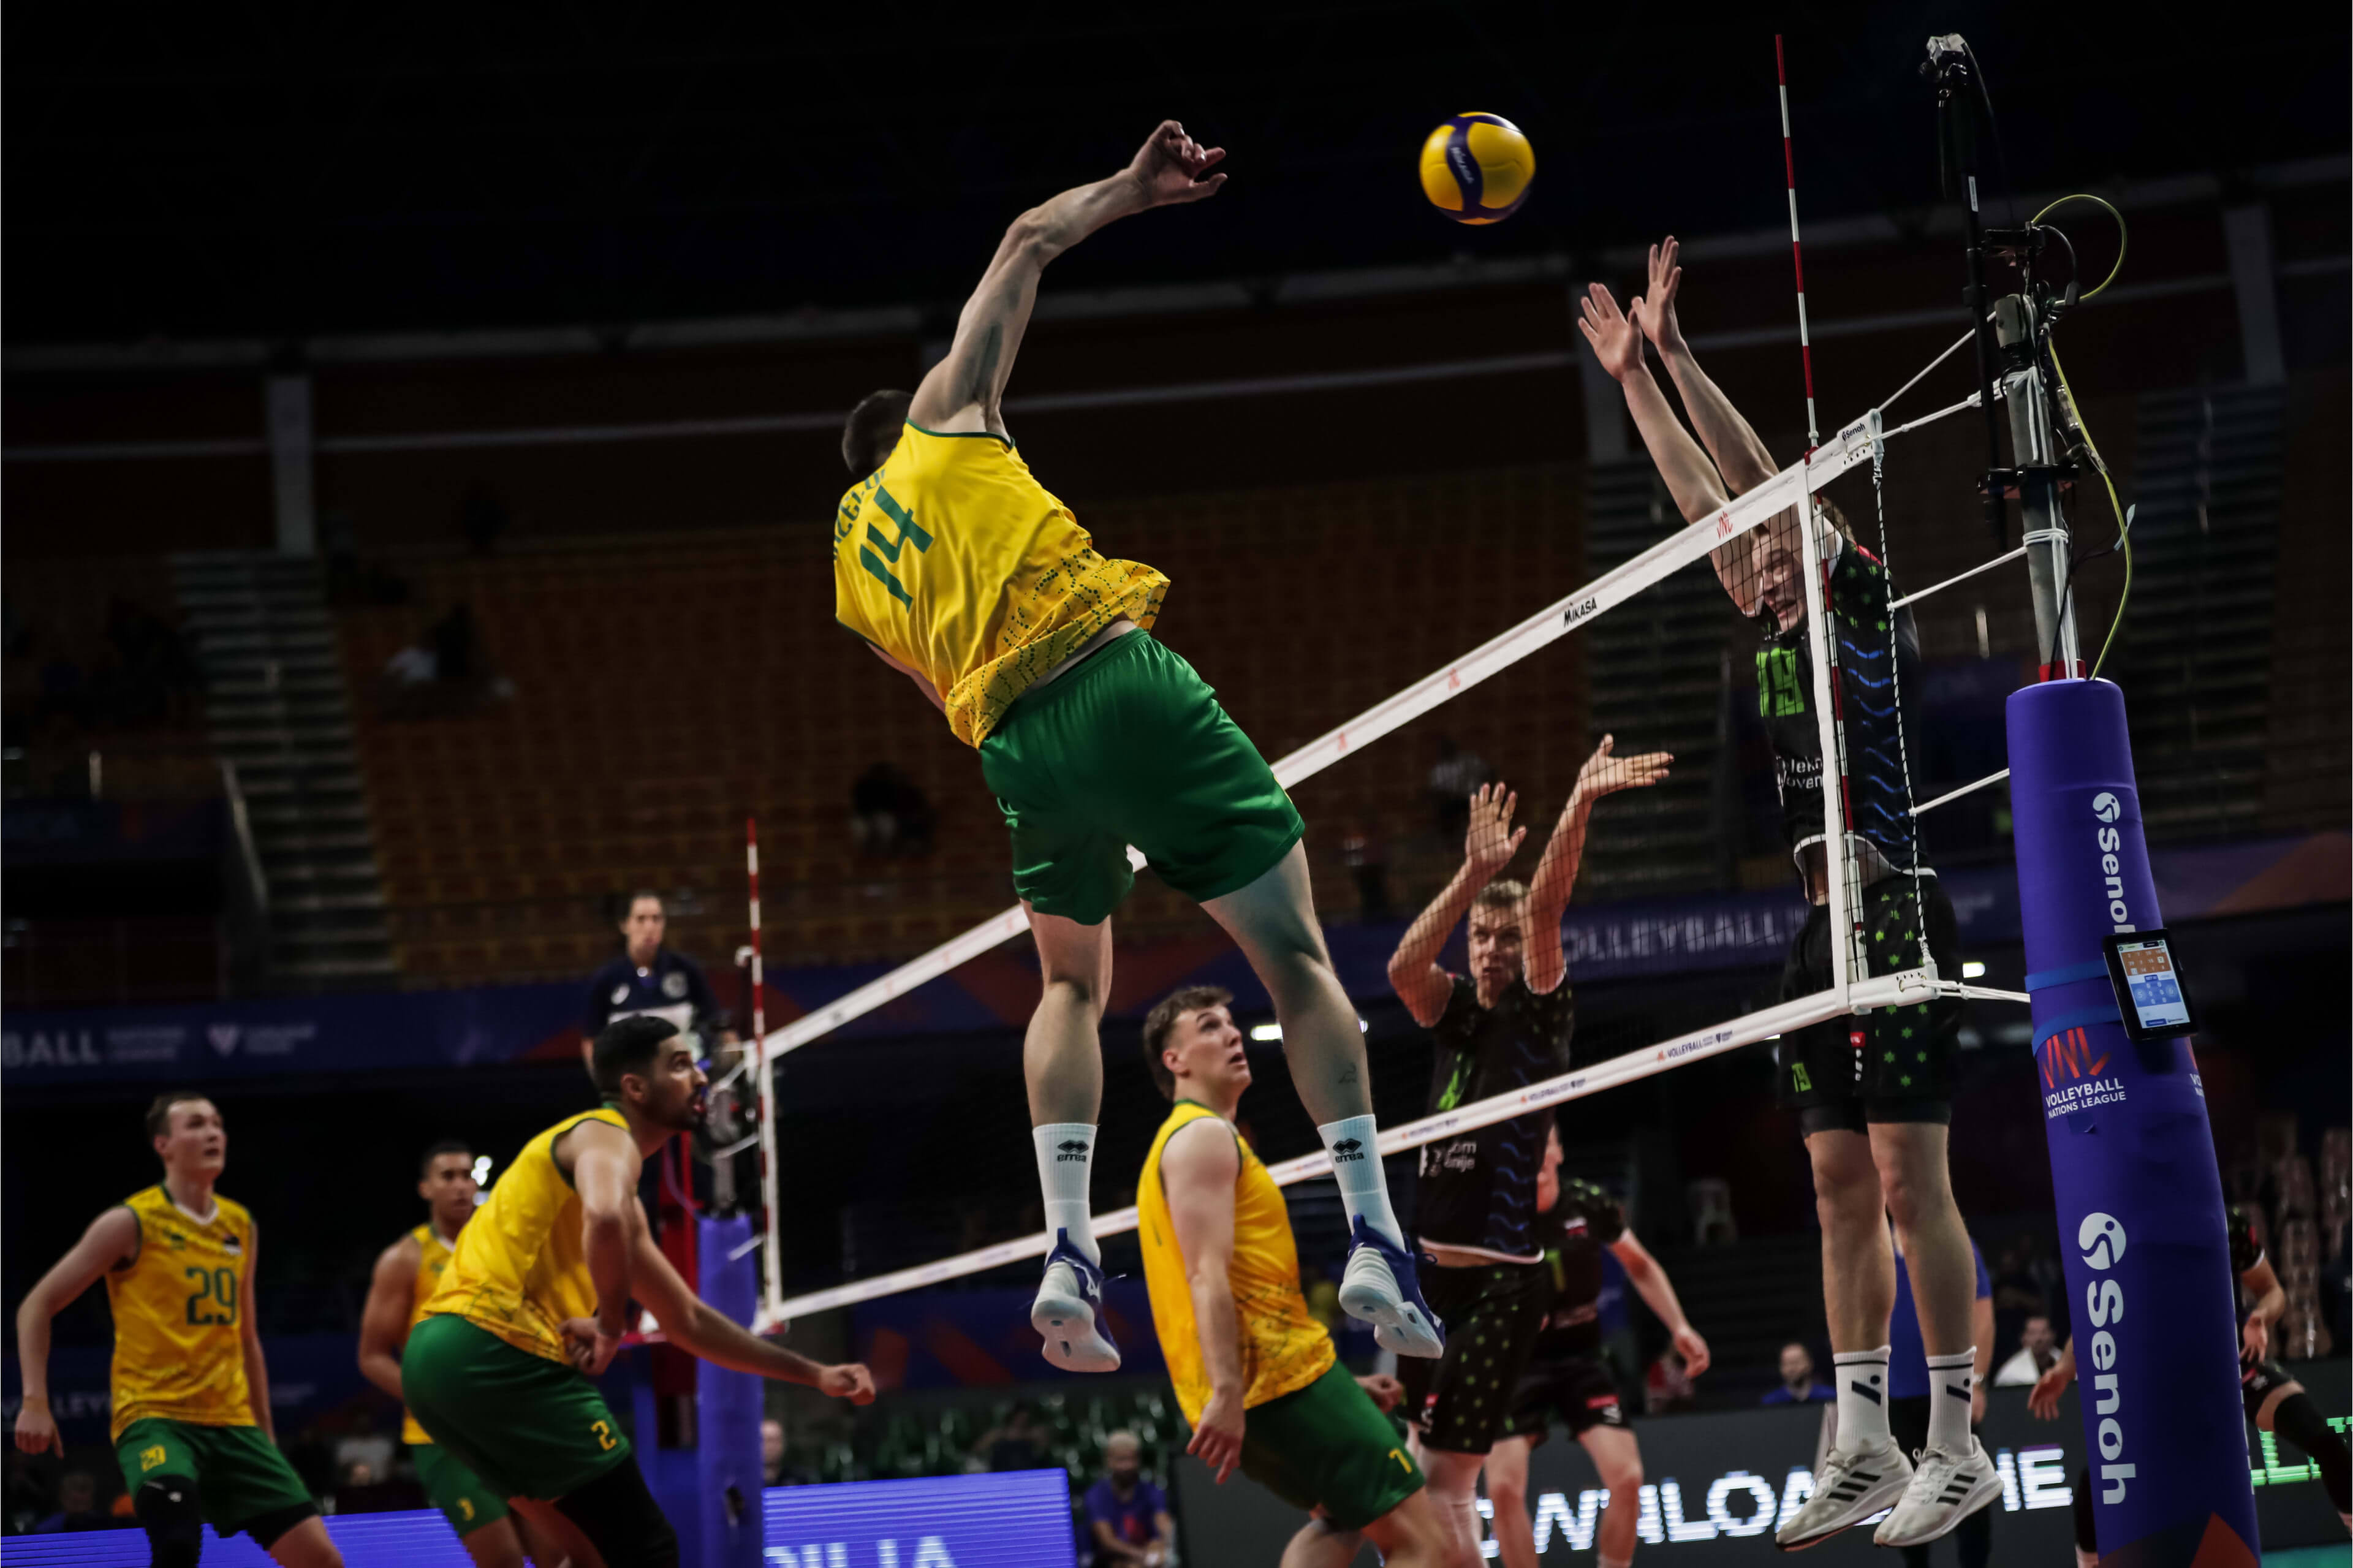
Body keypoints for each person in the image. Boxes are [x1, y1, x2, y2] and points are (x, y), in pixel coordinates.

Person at [831, 119, 1434, 1374]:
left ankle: (1065, 1248)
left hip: (1017, 749)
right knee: (1293, 955)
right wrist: (1133, 189)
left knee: (1068, 986)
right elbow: (1025, 239)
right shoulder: (942, 417)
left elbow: (932, 686)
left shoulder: (853, 577)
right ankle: (1374, 1230)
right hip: (1112, 676)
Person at [1580, 238, 1991, 1550]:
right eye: (1746, 553)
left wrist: (1682, 355)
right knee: (1835, 1186)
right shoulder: (1760, 619)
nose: (1753, 555)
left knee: (1909, 1179)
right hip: (1818, 930)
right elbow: (1709, 503)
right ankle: (1863, 1439)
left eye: (1773, 542)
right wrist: (1632, 381)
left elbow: (1758, 483)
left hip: (1896, 900)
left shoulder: (1856, 600)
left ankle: (1958, 1440)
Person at [403, 1017, 875, 1568]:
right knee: (646, 1549)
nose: (700, 1077)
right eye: (679, 1064)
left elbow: (688, 1320)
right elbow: (603, 1217)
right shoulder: (604, 1133)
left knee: (589, 1554)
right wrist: (610, 1325)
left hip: (434, 1362)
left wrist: (815, 1373)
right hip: (496, 1350)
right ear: (635, 1087)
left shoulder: (614, 1190)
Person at [1384, 756, 1669, 1563]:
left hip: (1498, 1284)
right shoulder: (1454, 1010)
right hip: (1429, 1278)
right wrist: (1473, 873)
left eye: (1507, 936)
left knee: (1445, 1480)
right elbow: (1403, 969)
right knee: (1424, 1472)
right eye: (1482, 934)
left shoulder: (1540, 1014)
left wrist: (1579, 798)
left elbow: (1546, 906)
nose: (1492, 948)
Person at [1136, 987, 1447, 1567]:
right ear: (1174, 1060)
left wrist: (1339, 1387)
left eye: (1230, 1023)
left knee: (1342, 1520)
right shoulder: (1202, 1137)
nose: (1232, 1034)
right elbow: (1205, 1277)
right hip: (1276, 1382)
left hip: (1261, 1389)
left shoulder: (1179, 1144)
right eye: (1208, 1026)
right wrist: (1230, 1391)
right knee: (1426, 1544)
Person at [12, 1093, 344, 1568]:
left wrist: (266, 1435)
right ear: (163, 1144)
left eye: (217, 1123)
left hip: (232, 1423)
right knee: (177, 1547)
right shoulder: (130, 1221)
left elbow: (247, 1338)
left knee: (322, 1559)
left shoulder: (239, 1223)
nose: (213, 1133)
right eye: (196, 1124)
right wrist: (35, 1401)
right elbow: (36, 1305)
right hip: (156, 1416)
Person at [2033, 1203, 2351, 1564]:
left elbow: (2272, 1289)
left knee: (2324, 1440)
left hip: (2233, 1368)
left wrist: (2261, 1317)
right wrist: (2064, 1369)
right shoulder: (2128, 1229)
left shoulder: (2226, 1222)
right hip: (2162, 1379)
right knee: (2099, 1476)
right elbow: (2095, 1318)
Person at [1485, 1126, 1710, 1568]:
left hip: (1582, 1361)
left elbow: (1640, 1266)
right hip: (1517, 1363)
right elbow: (1462, 1290)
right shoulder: (1493, 1218)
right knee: (1503, 1489)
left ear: (1559, 1151)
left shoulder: (1588, 1203)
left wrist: (1679, 1326)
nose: (1535, 1151)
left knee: (1628, 1478)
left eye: (1544, 1141)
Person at [357, 1139, 546, 1568]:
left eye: (467, 1176)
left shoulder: (505, 1250)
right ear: (426, 1188)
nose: (461, 1185)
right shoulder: (404, 1258)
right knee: (503, 1559)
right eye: (448, 1176)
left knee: (559, 1553)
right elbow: (372, 1356)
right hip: (444, 1437)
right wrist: (432, 1398)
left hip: (510, 1429)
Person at [1885, 1224, 1994, 1568]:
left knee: (1969, 1496)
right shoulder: (1875, 1250)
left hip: (1952, 1393)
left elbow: (1983, 1315)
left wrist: (1976, 1382)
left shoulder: (1953, 1240)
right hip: (1897, 1398)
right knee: (1908, 1501)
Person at [583, 892, 727, 1053]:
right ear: (624, 925)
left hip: (683, 1063)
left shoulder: (686, 969)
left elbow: (716, 1021)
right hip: (629, 1067)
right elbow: (591, 1040)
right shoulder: (606, 978)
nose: (650, 927)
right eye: (641, 919)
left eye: (656, 919)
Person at [1083, 1431, 1176, 1567]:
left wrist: (1163, 1545)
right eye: (1121, 1460)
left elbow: (1164, 1525)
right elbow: (1107, 1541)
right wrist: (1142, 1556)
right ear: (1109, 1460)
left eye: (1132, 1459)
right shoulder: (1096, 1495)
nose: (1127, 1466)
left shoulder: (1152, 1491)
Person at [32, 1470, 112, 1533]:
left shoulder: (107, 1527)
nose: (79, 1496)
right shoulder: (45, 1530)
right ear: (62, 1497)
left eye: (83, 1489)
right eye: (73, 1488)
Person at [1990, 1314, 2057, 1387]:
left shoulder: (2064, 1360)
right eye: (2032, 1333)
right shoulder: (2010, 1373)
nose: (2039, 1338)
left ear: (2053, 1335)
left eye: (2044, 1332)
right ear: (2023, 1338)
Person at [1760, 1342, 1836, 1406]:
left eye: (1797, 1362)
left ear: (1810, 1364)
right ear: (1780, 1368)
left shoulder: (1830, 1397)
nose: (1792, 1369)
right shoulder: (1771, 1402)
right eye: (1787, 1364)